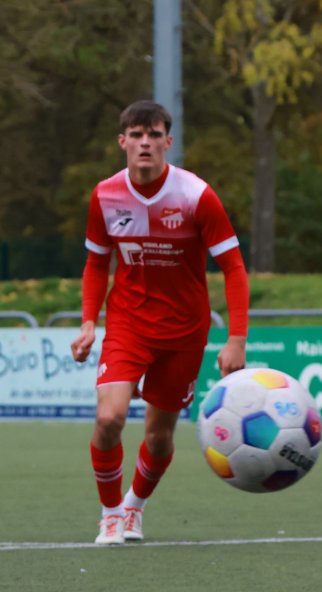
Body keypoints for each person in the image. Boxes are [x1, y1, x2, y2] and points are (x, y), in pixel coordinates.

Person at [70, 99, 249, 546]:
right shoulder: (105, 195)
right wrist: (89, 322)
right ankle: (110, 514)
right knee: (109, 417)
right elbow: (96, 264)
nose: (145, 142)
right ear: (122, 142)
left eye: (154, 134)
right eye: (136, 134)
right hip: (128, 323)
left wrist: (236, 339)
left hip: (185, 332)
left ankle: (135, 507)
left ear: (168, 141)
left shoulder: (196, 195)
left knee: (159, 434)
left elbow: (234, 268)